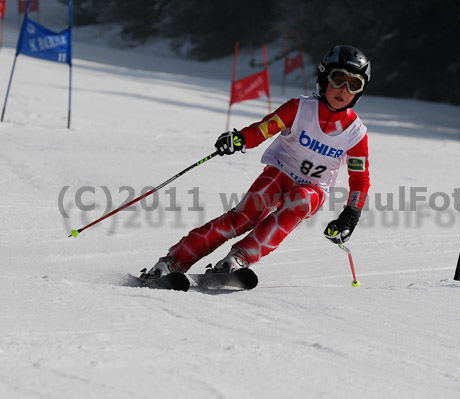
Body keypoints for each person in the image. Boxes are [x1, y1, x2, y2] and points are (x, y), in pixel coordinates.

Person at [144, 44, 372, 278]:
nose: (343, 90)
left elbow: (360, 179)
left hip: (313, 189)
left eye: (353, 84)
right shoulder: (298, 109)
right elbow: (262, 130)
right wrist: (239, 139)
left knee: (299, 201)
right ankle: (174, 261)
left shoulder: (355, 133)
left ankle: (238, 259)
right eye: (338, 79)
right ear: (324, 77)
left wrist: (350, 214)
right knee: (243, 218)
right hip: (281, 173)